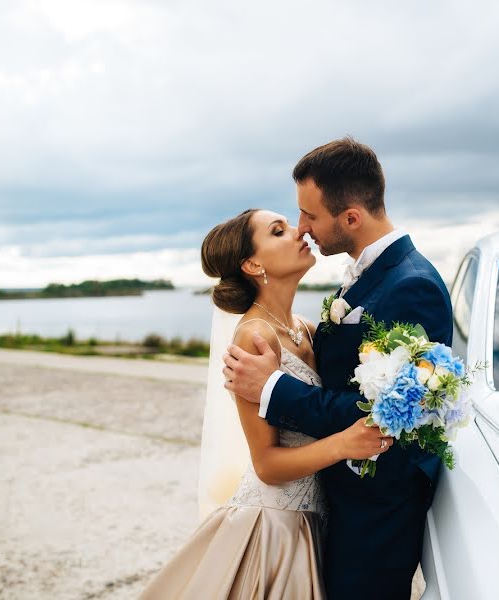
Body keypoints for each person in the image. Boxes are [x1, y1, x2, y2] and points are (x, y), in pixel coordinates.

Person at [224, 138, 453, 600]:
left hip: (376, 511)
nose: (303, 228)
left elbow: (382, 409)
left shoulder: (411, 286)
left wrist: (272, 387)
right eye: (292, 220)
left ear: (351, 218)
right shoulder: (370, 279)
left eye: (309, 215)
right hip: (329, 505)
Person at [139, 208, 393, 599]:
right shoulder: (253, 338)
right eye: (279, 231)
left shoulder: (307, 329)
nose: (299, 232)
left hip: (317, 518)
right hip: (277, 526)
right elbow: (267, 464)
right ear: (253, 263)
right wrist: (343, 445)